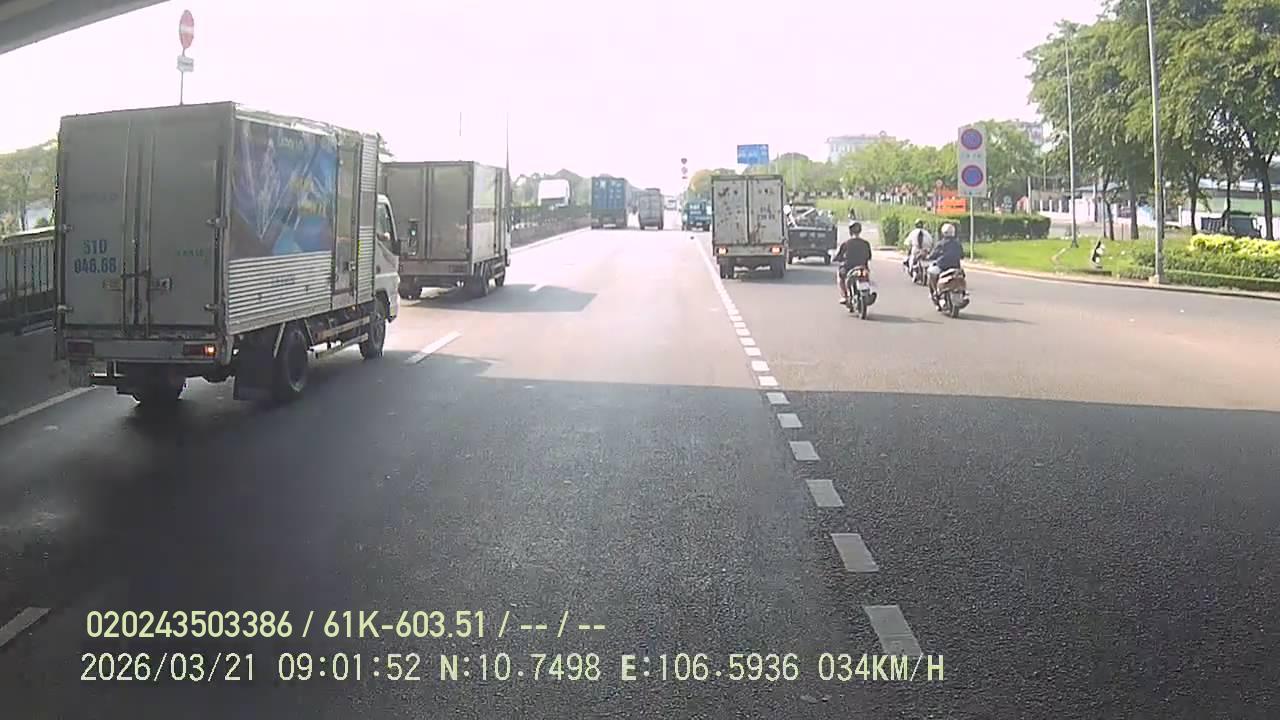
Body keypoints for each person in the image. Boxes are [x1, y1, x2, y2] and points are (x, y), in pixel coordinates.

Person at [834, 221, 873, 304]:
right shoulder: (866, 243)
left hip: (848, 268)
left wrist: (837, 259)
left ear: (850, 231)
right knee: (866, 277)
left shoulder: (846, 243)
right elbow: (869, 257)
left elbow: (839, 256)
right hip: (862, 267)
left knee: (840, 277)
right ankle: (867, 294)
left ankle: (845, 296)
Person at [926, 223, 964, 297]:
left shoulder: (940, 244)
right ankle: (963, 293)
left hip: (942, 267)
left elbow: (933, 255)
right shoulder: (958, 244)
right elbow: (962, 256)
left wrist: (928, 257)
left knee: (931, 273)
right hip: (955, 267)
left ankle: (935, 292)